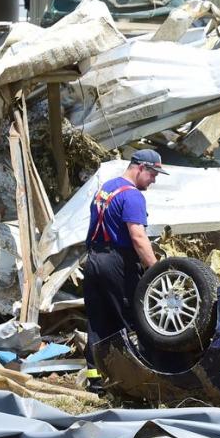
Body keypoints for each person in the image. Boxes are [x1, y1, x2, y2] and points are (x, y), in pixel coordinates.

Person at [82, 150, 165, 388]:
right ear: (140, 168)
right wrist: (155, 268)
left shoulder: (106, 189)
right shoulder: (133, 196)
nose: (154, 179)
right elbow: (138, 237)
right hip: (118, 262)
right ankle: (138, 378)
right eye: (153, 173)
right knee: (132, 316)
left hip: (94, 259)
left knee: (98, 320)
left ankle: (95, 380)